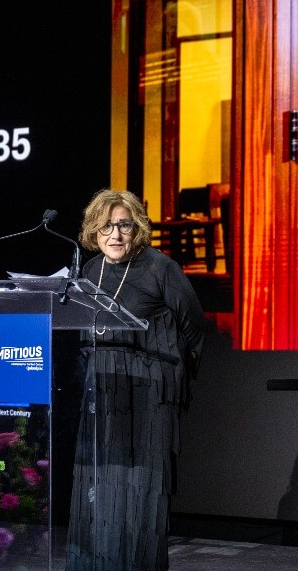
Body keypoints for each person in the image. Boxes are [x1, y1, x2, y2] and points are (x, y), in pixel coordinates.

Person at [67, 188, 206, 571]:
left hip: (149, 398)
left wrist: (174, 379)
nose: (115, 235)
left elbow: (194, 328)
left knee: (140, 491)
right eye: (106, 226)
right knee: (104, 488)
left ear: (137, 228)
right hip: (104, 395)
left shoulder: (161, 268)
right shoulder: (89, 272)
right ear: (94, 232)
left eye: (124, 225)